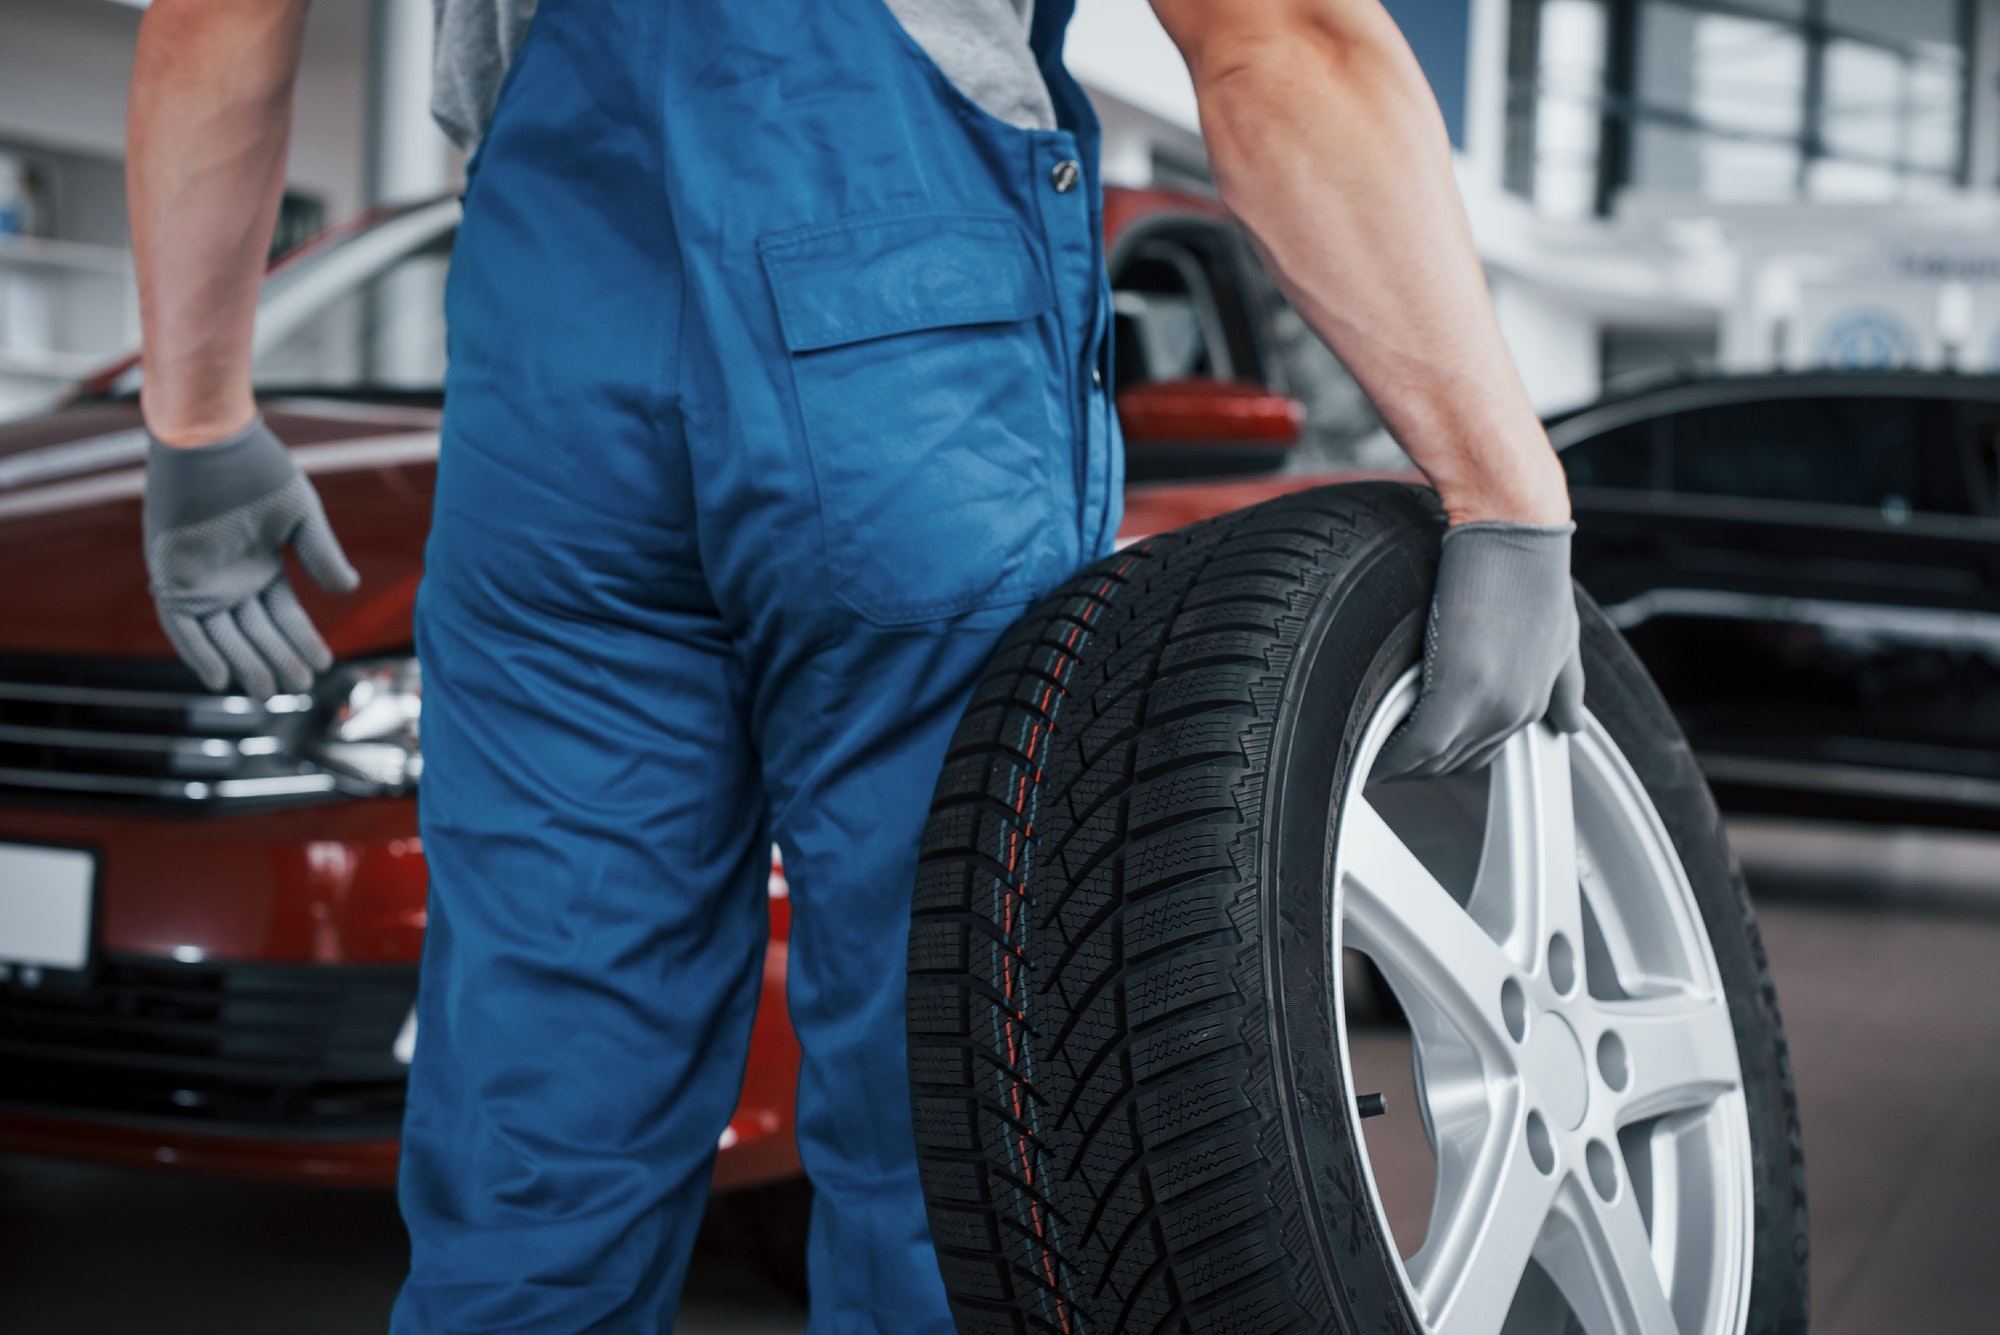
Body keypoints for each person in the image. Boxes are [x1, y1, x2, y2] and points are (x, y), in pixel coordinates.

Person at [127, 0, 1582, 1328]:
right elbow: (1281, 37)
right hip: (899, 343)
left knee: (535, 1129)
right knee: (947, 1109)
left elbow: (216, 14)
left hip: (546, 384)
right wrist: (1503, 488)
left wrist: (195, 421)